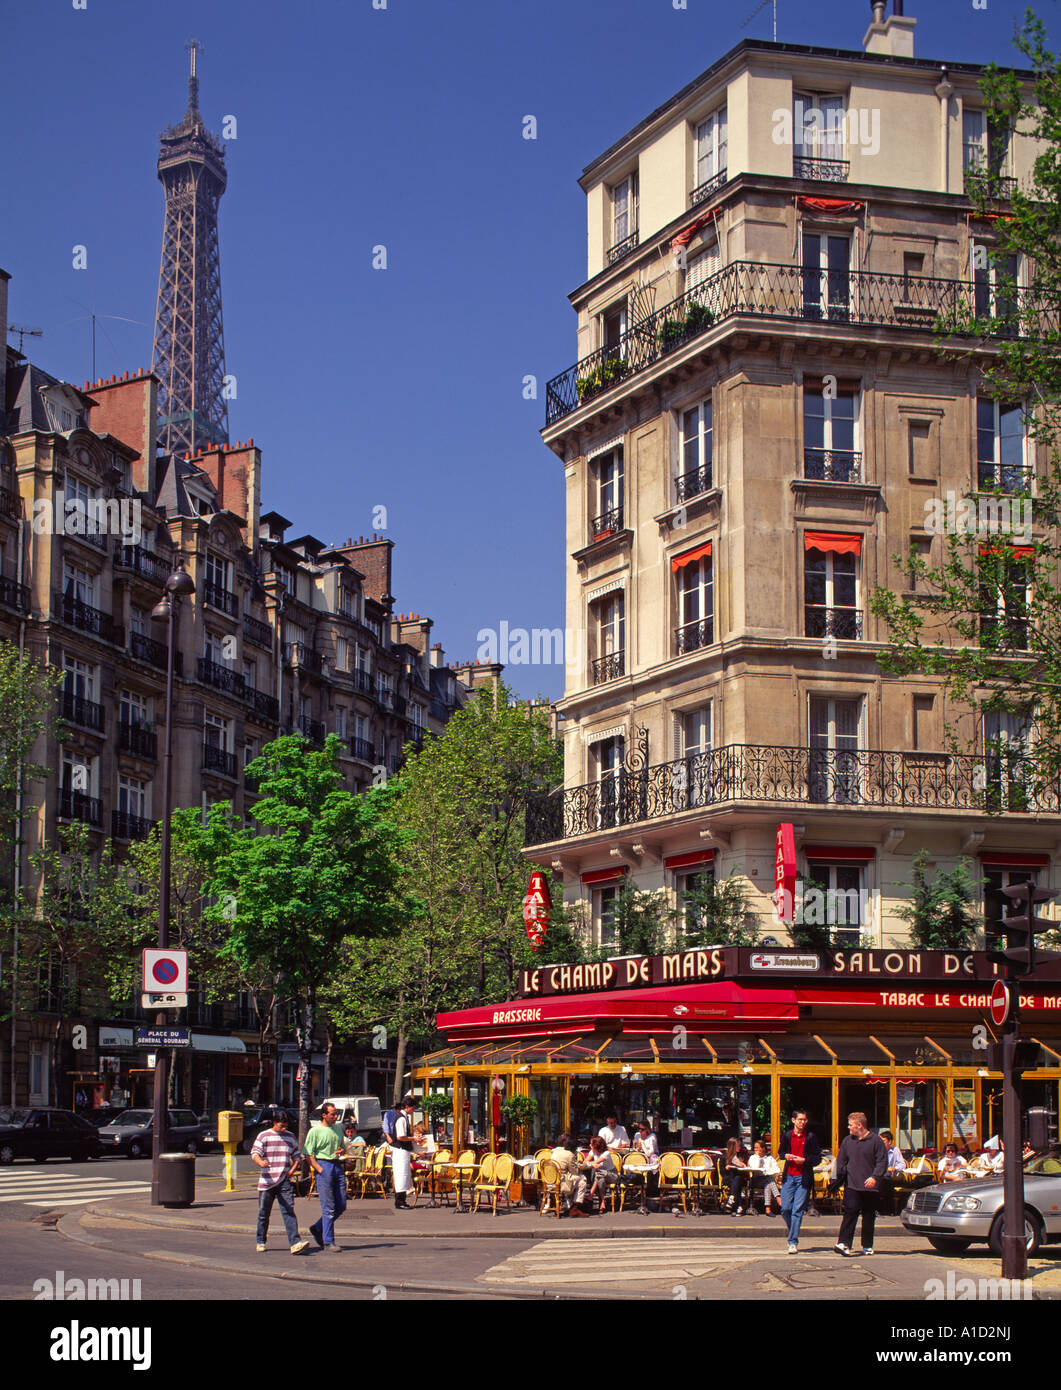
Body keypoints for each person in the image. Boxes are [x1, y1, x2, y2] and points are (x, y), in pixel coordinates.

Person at [251, 1110, 310, 1255]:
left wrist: (292, 1169)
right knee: (264, 1213)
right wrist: (261, 1162)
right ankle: (261, 1241)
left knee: (288, 1211)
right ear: (274, 1123)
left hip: (284, 1180)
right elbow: (255, 1153)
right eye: (281, 1126)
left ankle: (295, 1243)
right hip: (267, 1181)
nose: (283, 1129)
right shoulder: (263, 1136)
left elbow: (296, 1155)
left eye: (285, 1126)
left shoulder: (290, 1137)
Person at [833, 1113, 888, 1257]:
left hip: (870, 1186)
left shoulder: (876, 1141)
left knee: (868, 1216)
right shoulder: (847, 1141)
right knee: (850, 1213)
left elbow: (882, 1161)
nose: (848, 1127)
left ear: (860, 1125)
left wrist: (875, 1177)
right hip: (852, 1185)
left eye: (850, 1124)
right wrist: (838, 1177)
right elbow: (841, 1161)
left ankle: (867, 1245)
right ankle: (843, 1243)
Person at [302, 1102, 347, 1251]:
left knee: (341, 1205)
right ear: (324, 1115)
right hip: (324, 1165)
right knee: (328, 1206)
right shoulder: (315, 1131)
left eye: (336, 1114)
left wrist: (341, 1151)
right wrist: (319, 1169)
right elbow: (308, 1153)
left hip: (336, 1165)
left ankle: (317, 1228)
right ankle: (328, 1241)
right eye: (333, 1114)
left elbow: (342, 1146)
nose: (335, 1117)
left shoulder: (337, 1129)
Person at [778, 1108, 821, 1254]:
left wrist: (805, 1160)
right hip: (789, 1176)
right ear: (793, 1120)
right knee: (785, 1209)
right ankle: (793, 1230)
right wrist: (787, 1156)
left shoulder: (810, 1137)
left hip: (803, 1177)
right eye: (800, 1119)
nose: (802, 1122)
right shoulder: (787, 1136)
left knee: (797, 1210)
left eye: (804, 1120)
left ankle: (792, 1242)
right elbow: (781, 1153)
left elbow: (817, 1158)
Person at [580, 1135, 619, 1212]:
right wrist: (592, 1164)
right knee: (600, 1179)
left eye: (591, 1144)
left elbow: (595, 1162)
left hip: (611, 1175)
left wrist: (591, 1164)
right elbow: (584, 1162)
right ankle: (602, 1202)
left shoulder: (606, 1153)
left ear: (596, 1146)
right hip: (600, 1175)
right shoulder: (592, 1151)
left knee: (598, 1173)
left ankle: (590, 1196)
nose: (590, 1145)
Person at [391, 1096, 416, 1210]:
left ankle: (402, 1200)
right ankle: (399, 1201)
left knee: (404, 1175)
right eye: (412, 1108)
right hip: (400, 1150)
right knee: (401, 1175)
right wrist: (413, 1139)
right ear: (407, 1107)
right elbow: (400, 1137)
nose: (413, 1110)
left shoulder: (404, 1118)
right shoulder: (401, 1119)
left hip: (403, 1151)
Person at [550, 1133, 583, 1215]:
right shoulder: (570, 1155)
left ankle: (568, 1204)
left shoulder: (555, 1151)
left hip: (550, 1181)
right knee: (582, 1180)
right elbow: (574, 1172)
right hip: (561, 1182)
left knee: (575, 1180)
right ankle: (575, 1207)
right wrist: (579, 1167)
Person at [747, 1138, 781, 1215]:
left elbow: (777, 1169)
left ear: (763, 1148)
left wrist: (767, 1171)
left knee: (768, 1182)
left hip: (766, 1179)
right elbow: (754, 1167)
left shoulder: (769, 1158)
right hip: (756, 1180)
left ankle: (768, 1209)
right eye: (755, 1148)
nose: (755, 1149)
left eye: (757, 1147)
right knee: (770, 1179)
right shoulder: (753, 1158)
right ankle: (778, 1198)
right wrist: (759, 1158)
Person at [723, 1137, 751, 1216]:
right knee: (736, 1181)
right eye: (738, 1146)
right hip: (729, 1178)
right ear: (733, 1147)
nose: (740, 1148)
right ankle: (739, 1206)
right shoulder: (725, 1156)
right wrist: (727, 1167)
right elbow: (721, 1171)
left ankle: (732, 1199)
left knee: (737, 1179)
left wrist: (743, 1165)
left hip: (741, 1178)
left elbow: (746, 1171)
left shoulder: (741, 1156)